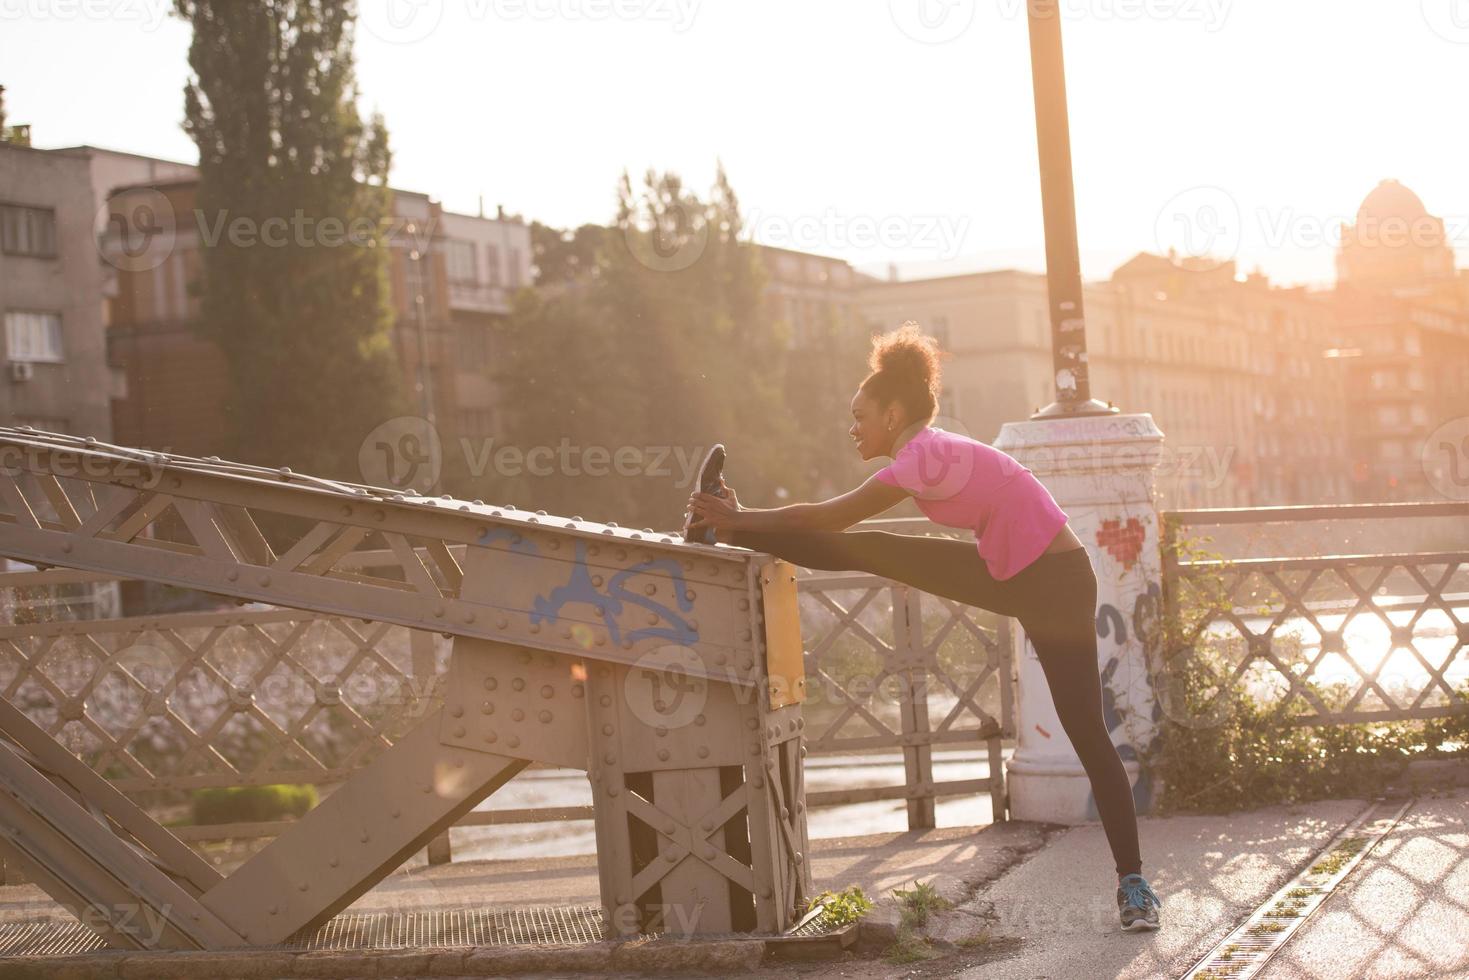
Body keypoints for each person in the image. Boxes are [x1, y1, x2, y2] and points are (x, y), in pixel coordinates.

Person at [687, 321, 1162, 932]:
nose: (852, 426)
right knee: (874, 548)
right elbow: (839, 528)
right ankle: (720, 526)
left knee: (1088, 735)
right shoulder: (925, 452)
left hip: (1060, 582)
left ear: (893, 412)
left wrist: (745, 514)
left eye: (860, 414)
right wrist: (741, 520)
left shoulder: (926, 457)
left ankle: (1134, 886)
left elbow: (832, 516)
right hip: (1010, 573)